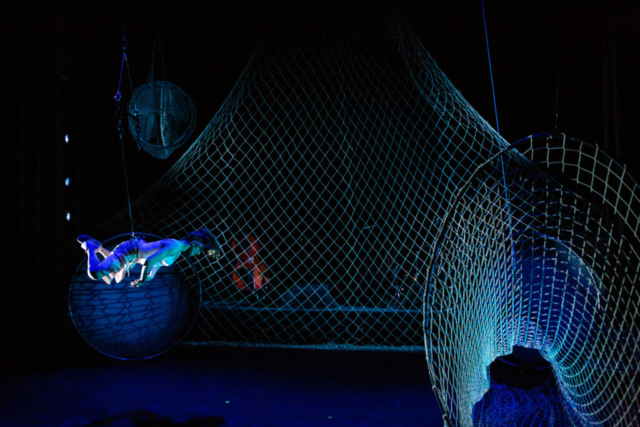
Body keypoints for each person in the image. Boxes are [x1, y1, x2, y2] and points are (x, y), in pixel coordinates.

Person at [77, 228, 222, 287]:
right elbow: (149, 261)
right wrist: (142, 277)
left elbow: (154, 267)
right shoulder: (175, 246)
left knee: (116, 279)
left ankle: (100, 248)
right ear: (195, 243)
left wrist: (142, 280)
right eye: (200, 249)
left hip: (132, 257)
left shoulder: (177, 252)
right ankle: (91, 247)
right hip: (130, 250)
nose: (198, 253)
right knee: (95, 273)